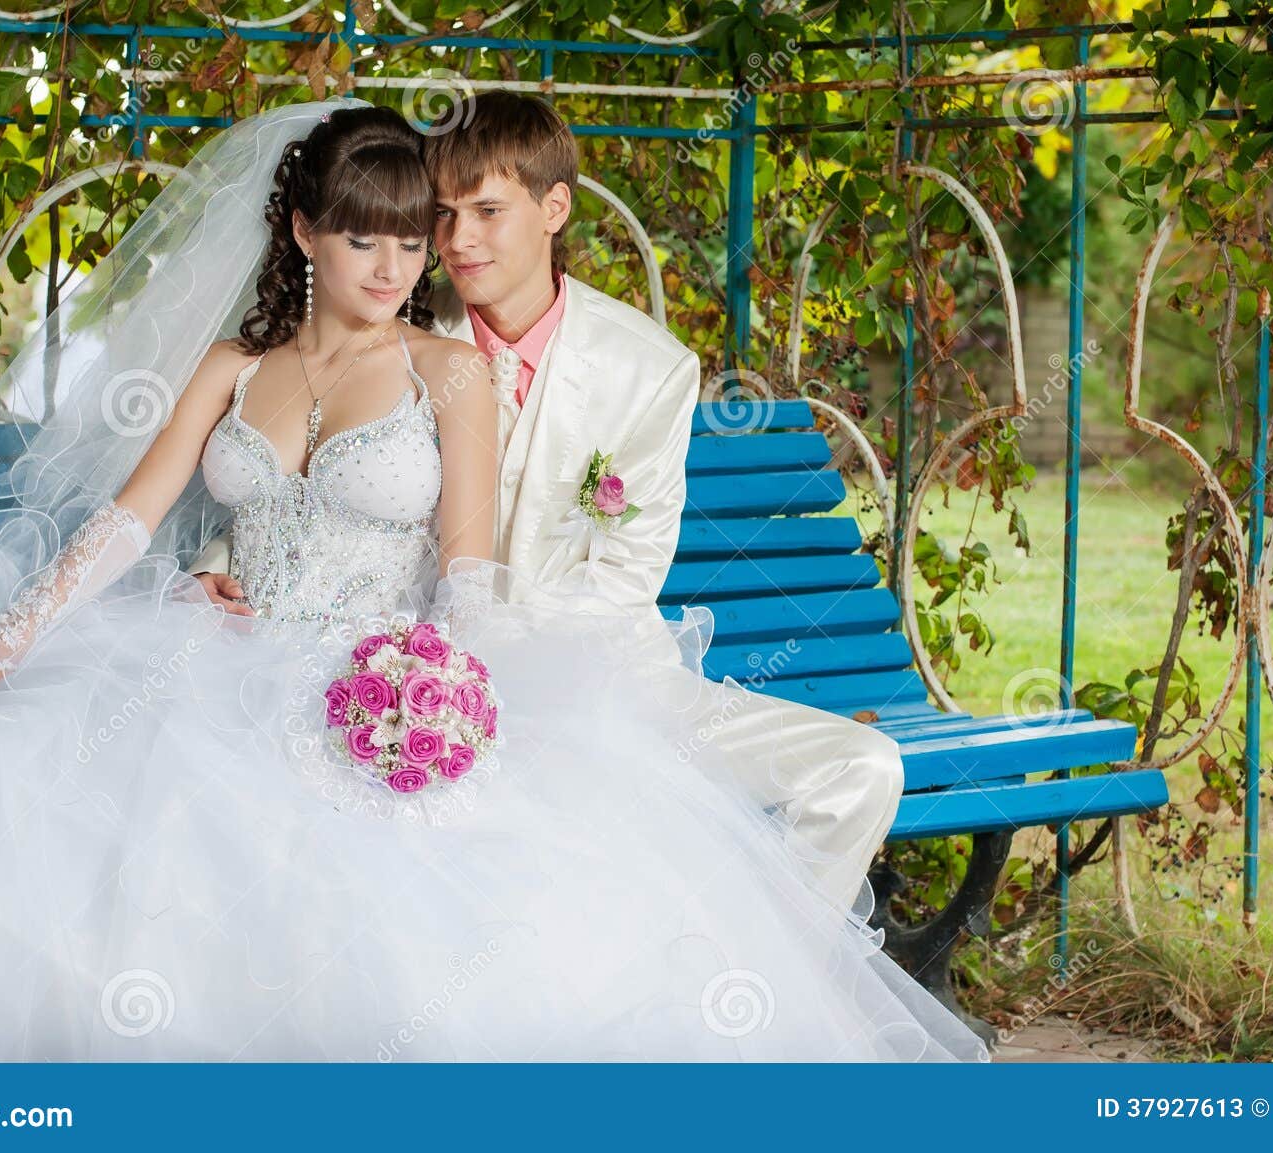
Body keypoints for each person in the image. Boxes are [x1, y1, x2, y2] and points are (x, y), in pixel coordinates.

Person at [0, 98, 988, 1062]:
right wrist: (7, 639)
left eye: (412, 239)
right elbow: (126, 515)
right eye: (367, 235)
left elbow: (465, 570)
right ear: (304, 231)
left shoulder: (448, 372)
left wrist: (448, 683)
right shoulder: (228, 365)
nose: (399, 261)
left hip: (385, 671)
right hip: (214, 661)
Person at [190, 91, 910, 919]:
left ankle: (758, 999)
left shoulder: (650, 369)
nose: (457, 241)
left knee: (863, 767)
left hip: (598, 676)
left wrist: (492, 672)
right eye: (444, 215)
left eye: (489, 211)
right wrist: (221, 566)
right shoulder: (397, 320)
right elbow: (303, 468)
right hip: (401, 682)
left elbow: (624, 583)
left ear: (554, 206)